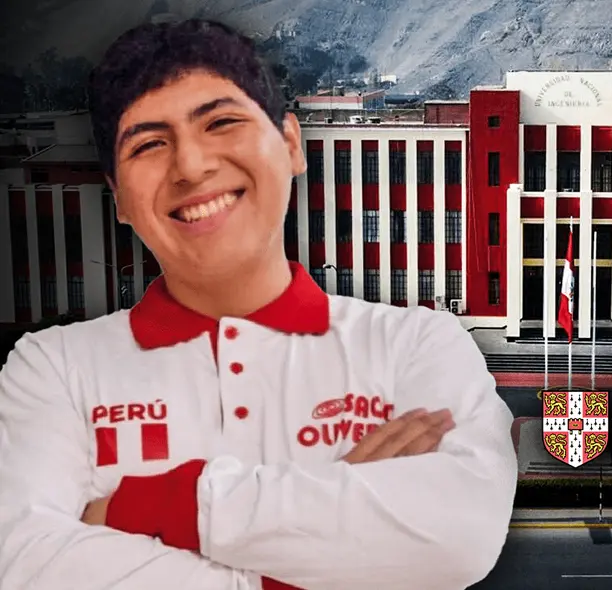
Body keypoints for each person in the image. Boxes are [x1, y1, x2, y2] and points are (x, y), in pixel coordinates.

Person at [0, 19, 517, 590]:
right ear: (118, 197)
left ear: (292, 145)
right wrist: (310, 554)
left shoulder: (417, 344)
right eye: (149, 144)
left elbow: (459, 536)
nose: (191, 166)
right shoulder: (51, 368)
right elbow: (24, 564)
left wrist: (153, 506)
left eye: (222, 122)